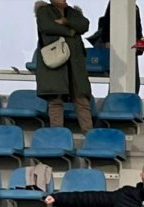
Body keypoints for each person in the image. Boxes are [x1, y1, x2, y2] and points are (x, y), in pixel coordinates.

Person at [34, 0, 92, 132]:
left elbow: (84, 25)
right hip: (55, 65)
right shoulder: (44, 11)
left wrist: (66, 22)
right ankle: (57, 135)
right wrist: (71, 31)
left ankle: (89, 134)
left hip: (75, 65)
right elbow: (47, 27)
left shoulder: (73, 12)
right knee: (55, 100)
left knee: (81, 99)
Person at [87, 0, 143, 92]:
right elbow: (107, 24)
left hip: (130, 48)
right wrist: (107, 41)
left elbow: (138, 30)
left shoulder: (134, 8)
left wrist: (140, 44)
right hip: (116, 47)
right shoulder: (115, 4)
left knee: (133, 81)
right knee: (117, 77)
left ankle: (128, 100)